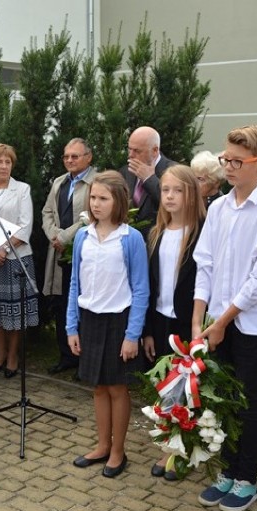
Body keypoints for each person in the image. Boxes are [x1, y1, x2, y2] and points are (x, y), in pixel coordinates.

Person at [193, 125, 257, 511]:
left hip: (247, 327)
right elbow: (205, 263)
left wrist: (222, 321)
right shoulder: (218, 207)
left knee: (247, 402)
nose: (228, 167)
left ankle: (247, 478)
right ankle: (226, 471)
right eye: (225, 160)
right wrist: (199, 320)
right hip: (214, 322)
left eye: (237, 161)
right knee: (220, 400)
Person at [67, 170, 149, 479]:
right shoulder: (82, 237)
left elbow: (141, 289)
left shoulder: (130, 239)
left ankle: (118, 450)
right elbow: (75, 283)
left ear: (120, 203)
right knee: (98, 387)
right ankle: (102, 444)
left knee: (117, 387)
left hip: (119, 320)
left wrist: (133, 335)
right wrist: (71, 327)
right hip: (89, 319)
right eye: (93, 197)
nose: (96, 204)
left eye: (104, 198)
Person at [142, 164, 205, 480]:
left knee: (186, 390)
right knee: (165, 387)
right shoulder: (156, 233)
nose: (168, 196)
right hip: (162, 321)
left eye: (177, 190)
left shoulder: (200, 233)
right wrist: (148, 330)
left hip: (187, 323)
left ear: (191, 194)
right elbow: (151, 286)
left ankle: (180, 451)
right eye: (165, 190)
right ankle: (169, 443)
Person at [0, 144, 38, 380]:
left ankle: (13, 356)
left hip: (15, 259)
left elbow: (25, 225)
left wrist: (1, 248)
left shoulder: (22, 189)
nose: (3, 166)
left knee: (14, 312)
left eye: (7, 162)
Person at [42, 138, 97, 374]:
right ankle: (66, 356)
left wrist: (65, 237)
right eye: (66, 156)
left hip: (82, 251)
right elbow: (47, 212)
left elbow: (90, 215)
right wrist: (54, 235)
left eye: (75, 156)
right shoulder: (59, 182)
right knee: (62, 304)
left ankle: (84, 361)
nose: (70, 160)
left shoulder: (97, 181)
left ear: (88, 157)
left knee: (81, 303)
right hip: (57, 253)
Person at [121, 126, 175, 229]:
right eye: (129, 149)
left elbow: (173, 205)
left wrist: (149, 179)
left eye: (137, 151)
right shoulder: (126, 171)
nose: (131, 155)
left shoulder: (173, 171)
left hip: (159, 236)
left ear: (155, 150)